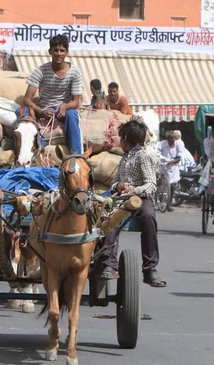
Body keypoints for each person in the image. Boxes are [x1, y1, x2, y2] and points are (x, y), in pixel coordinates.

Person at [96, 120, 166, 287]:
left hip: (140, 199)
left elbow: (151, 184)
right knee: (109, 221)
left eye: (120, 137)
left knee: (149, 218)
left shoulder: (143, 156)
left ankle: (150, 269)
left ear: (126, 138)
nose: (119, 141)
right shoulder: (124, 158)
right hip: (121, 199)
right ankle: (109, 264)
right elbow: (115, 183)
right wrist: (118, 186)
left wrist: (134, 191)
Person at [20, 34, 84, 154]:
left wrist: (65, 106)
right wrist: (41, 111)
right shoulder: (41, 71)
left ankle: (76, 155)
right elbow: (27, 99)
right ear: (50, 52)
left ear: (67, 52)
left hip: (64, 109)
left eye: (62, 50)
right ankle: (28, 149)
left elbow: (76, 101)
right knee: (22, 113)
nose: (59, 53)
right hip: (45, 108)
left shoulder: (75, 72)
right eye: (56, 50)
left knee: (72, 115)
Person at [158, 130, 184, 212]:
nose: (173, 140)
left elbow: (179, 158)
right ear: (167, 139)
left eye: (174, 138)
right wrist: (160, 158)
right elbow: (157, 152)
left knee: (172, 186)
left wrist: (171, 162)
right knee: (162, 184)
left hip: (173, 168)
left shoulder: (179, 144)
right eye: (171, 138)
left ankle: (169, 205)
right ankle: (160, 200)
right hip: (164, 167)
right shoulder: (162, 144)